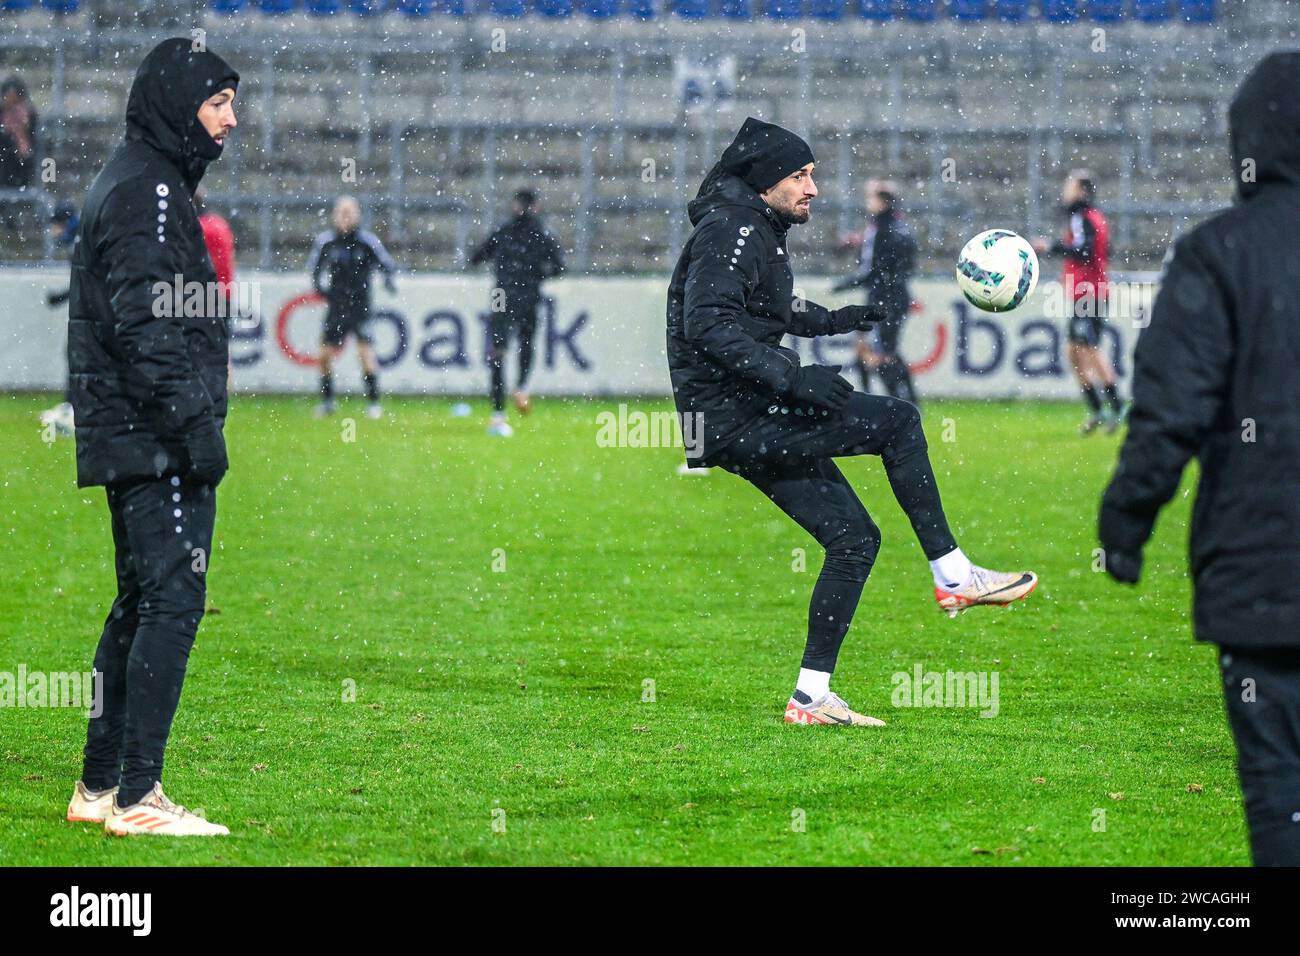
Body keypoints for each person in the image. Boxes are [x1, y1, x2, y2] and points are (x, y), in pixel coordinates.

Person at [667, 117, 1038, 727]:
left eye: (812, 174)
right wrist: (794, 378)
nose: (812, 187)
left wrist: (838, 320)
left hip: (736, 417)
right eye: (799, 175)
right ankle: (954, 574)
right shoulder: (732, 228)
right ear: (765, 183)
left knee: (854, 540)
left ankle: (811, 697)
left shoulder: (751, 224)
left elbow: (769, 307)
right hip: (737, 416)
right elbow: (707, 325)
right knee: (898, 422)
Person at [1099, 52, 1300, 866]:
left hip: (1265, 574)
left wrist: (1125, 522)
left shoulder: (1220, 253)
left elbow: (1172, 410)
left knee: (1280, 792)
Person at [63, 38, 239, 837]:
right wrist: (198, 428)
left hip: (131, 429)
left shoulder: (139, 179)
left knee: (139, 600)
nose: (231, 120)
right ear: (177, 104)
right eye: (218, 103)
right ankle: (138, 797)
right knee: (173, 599)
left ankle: (100, 788)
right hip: (153, 434)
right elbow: (146, 327)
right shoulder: (152, 192)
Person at [1032, 171, 1125, 435]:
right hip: (1086, 292)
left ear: (1082, 192)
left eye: (1069, 187)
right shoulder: (1092, 218)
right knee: (1074, 353)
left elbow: (1084, 252)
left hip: (1090, 294)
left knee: (1091, 348)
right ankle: (1098, 409)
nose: (1065, 192)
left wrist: (1050, 246)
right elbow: (1104, 251)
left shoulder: (1082, 218)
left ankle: (1116, 409)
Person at [469, 188, 564, 437]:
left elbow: (477, 256)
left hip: (502, 294)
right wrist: (536, 275)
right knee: (526, 342)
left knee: (499, 350)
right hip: (528, 294)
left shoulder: (504, 230)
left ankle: (498, 414)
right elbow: (559, 267)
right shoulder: (541, 233)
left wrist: (501, 266)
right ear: (537, 206)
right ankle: (521, 387)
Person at [308, 196, 396, 420]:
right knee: (324, 355)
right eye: (341, 213)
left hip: (360, 307)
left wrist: (389, 281)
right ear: (334, 215)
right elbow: (315, 270)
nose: (345, 217)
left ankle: (374, 403)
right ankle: (328, 401)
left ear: (358, 215)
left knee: (365, 354)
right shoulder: (327, 242)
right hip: (337, 307)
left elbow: (387, 265)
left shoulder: (367, 242)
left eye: (349, 213)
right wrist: (322, 290)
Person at [833, 178, 918, 405]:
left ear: (883, 201)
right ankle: (901, 400)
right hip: (893, 295)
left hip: (884, 299)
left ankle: (899, 403)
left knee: (880, 355)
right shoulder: (897, 226)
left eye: (871, 197)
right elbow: (903, 263)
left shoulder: (881, 229)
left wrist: (843, 284)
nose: (867, 201)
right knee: (875, 350)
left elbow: (872, 270)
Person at [39, 201, 79, 438]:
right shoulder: (80, 238)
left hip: (97, 310)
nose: (52, 232)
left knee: (75, 354)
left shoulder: (78, 243)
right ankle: (71, 405)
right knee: (75, 354)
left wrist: (60, 297)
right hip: (99, 308)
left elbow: (83, 283)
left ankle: (72, 408)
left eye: (54, 226)